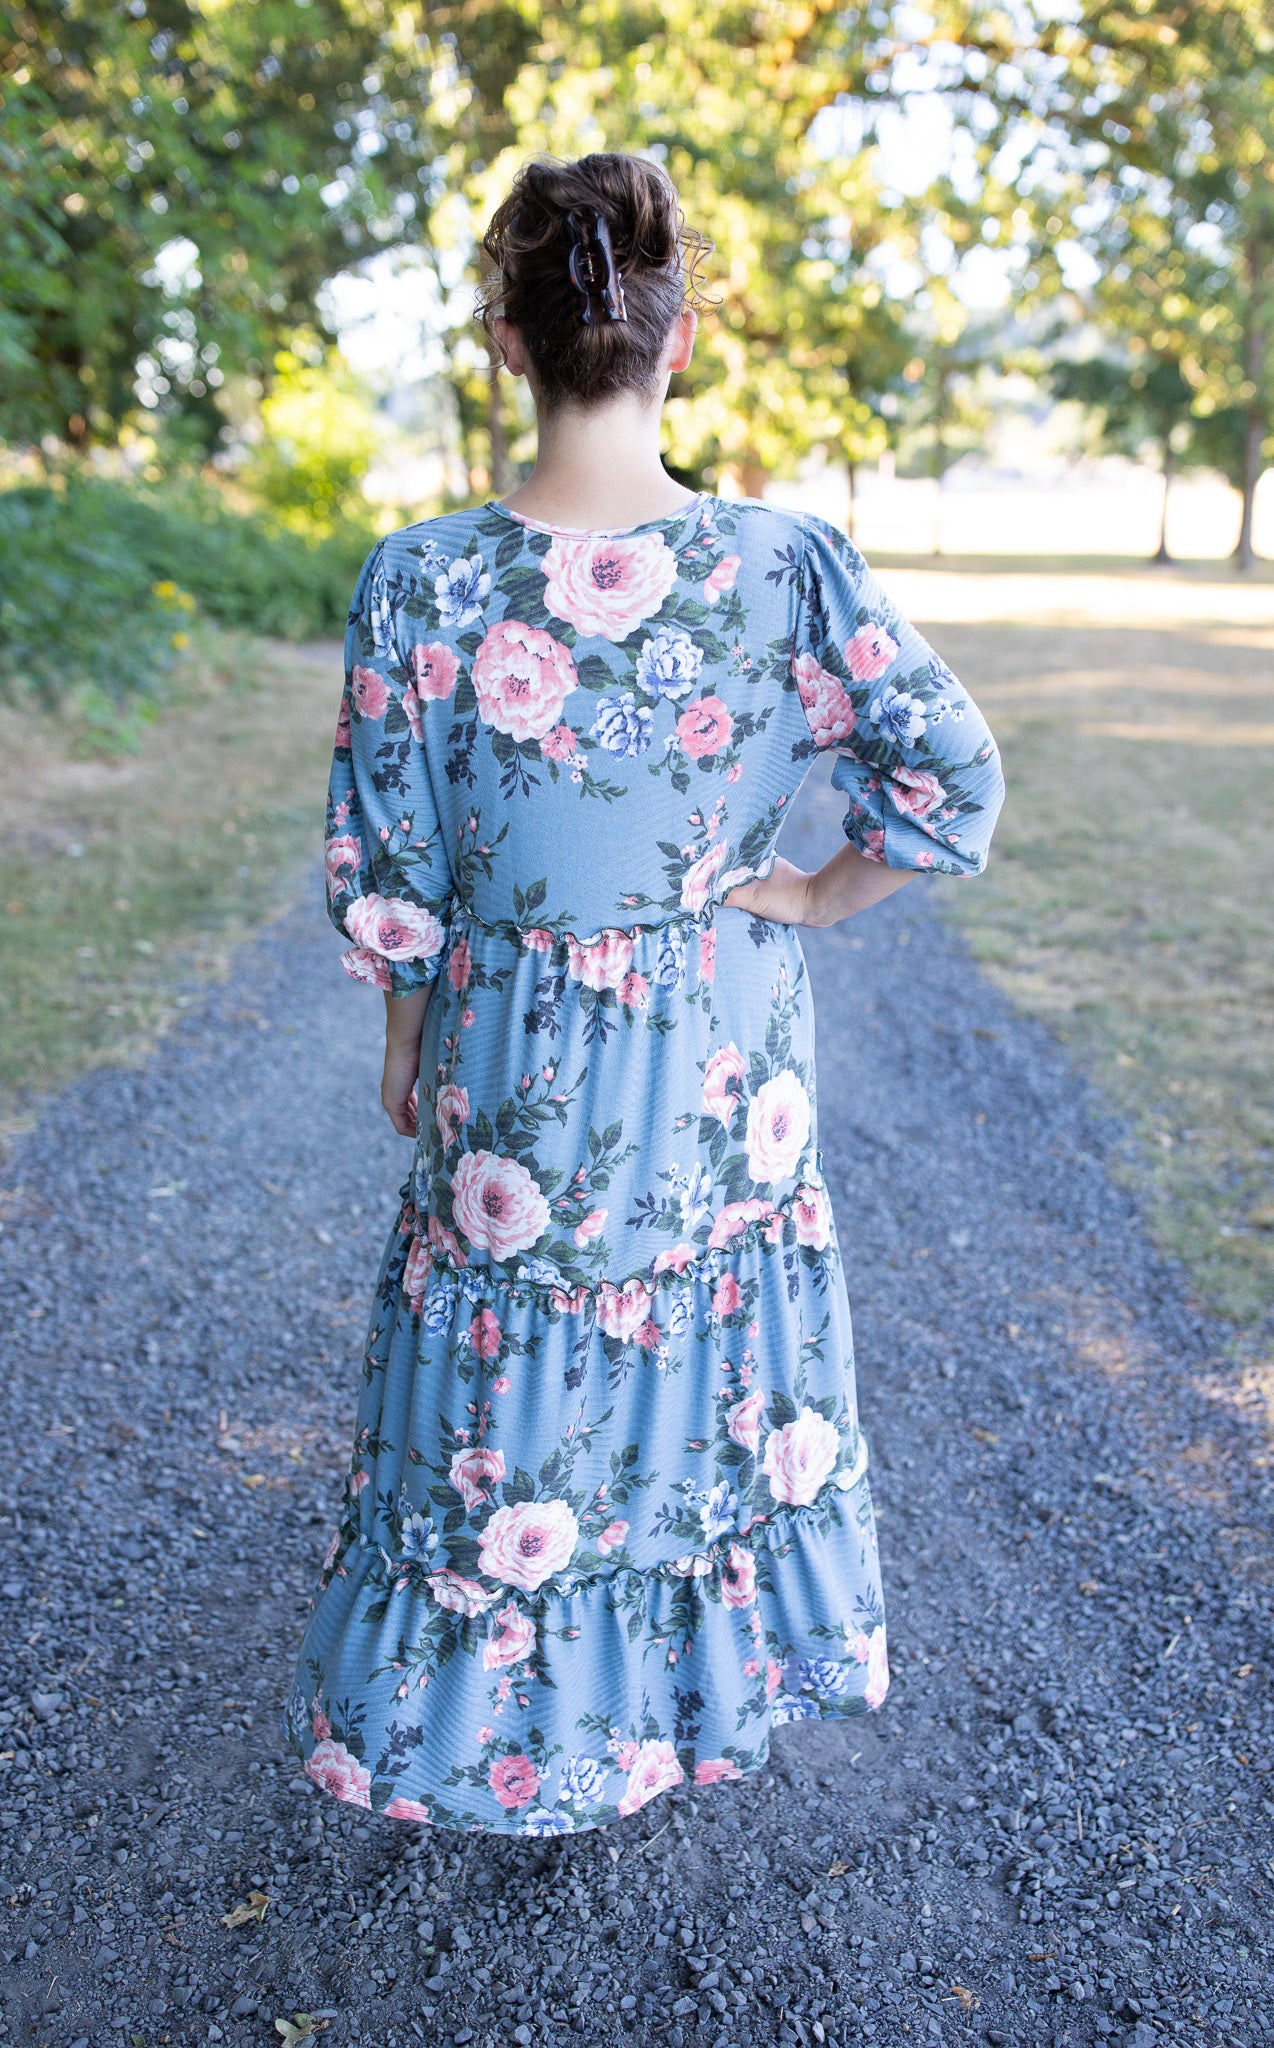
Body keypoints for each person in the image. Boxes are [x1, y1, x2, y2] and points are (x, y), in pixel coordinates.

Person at [282, 151, 1005, 1836]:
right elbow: (952, 773)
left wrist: (407, 1032)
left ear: (504, 347)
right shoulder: (783, 561)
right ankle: (677, 1707)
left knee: (512, 1389)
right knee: (696, 1366)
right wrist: (811, 892)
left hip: (509, 1059)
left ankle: (502, 1737)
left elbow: (390, 860)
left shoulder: (421, 578)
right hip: (718, 1054)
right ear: (679, 341)